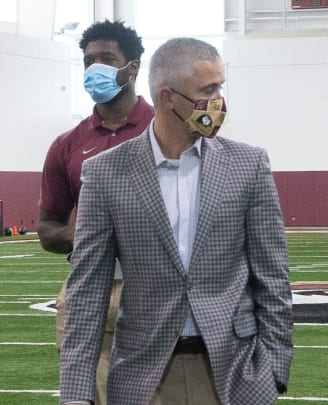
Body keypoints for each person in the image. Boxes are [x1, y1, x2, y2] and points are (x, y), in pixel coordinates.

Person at [59, 37, 293, 405]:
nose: (218, 101)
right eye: (208, 89)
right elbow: (87, 290)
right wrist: (76, 394)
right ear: (167, 98)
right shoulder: (104, 173)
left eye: (220, 87)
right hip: (142, 377)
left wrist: (274, 367)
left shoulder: (249, 165)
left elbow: (273, 277)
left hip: (234, 374)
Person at [37, 20, 153, 405]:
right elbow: (47, 231)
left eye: (106, 59)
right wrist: (92, 229)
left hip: (155, 284)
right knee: (89, 395)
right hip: (87, 283)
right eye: (88, 60)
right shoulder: (67, 144)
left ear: (132, 67)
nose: (94, 68)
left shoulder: (167, 131)